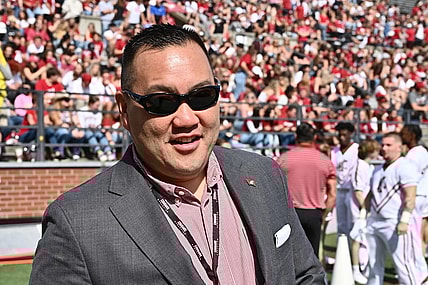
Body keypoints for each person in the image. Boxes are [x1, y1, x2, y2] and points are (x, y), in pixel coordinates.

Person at [30, 24, 325, 284]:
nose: (186, 119)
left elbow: (305, 276)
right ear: (123, 109)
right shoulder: (76, 223)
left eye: (202, 96)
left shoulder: (264, 174)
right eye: (161, 101)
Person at [366, 132, 428, 285]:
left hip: (394, 222)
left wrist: (404, 220)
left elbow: (410, 196)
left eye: (388, 145)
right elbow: (370, 195)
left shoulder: (405, 166)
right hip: (375, 221)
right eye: (383, 145)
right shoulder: (377, 169)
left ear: (399, 147)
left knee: (404, 266)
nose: (384, 148)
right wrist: (363, 215)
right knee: (373, 265)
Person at [277, 122, 336, 257]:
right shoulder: (325, 161)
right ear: (314, 137)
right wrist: (325, 212)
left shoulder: (283, 159)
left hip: (291, 212)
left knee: (290, 255)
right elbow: (332, 193)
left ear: (296, 137)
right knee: (312, 256)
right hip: (314, 213)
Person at [349, 139, 381, 284]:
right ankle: (356, 269)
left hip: (367, 209)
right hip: (360, 209)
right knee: (357, 238)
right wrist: (365, 208)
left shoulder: (370, 167)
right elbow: (358, 191)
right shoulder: (359, 166)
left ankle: (367, 267)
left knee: (367, 238)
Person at [400, 124, 428, 255]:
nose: (401, 135)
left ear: (412, 136)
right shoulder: (423, 151)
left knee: (414, 235)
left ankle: (418, 266)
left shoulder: (411, 156)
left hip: (416, 197)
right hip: (424, 195)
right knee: (422, 233)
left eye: (404, 133)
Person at [331, 122, 359, 237]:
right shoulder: (334, 151)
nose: (342, 138)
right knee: (341, 223)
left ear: (350, 134)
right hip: (339, 189)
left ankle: (356, 250)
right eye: (340, 135)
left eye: (344, 135)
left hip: (351, 189)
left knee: (353, 221)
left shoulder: (356, 149)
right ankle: (343, 251)